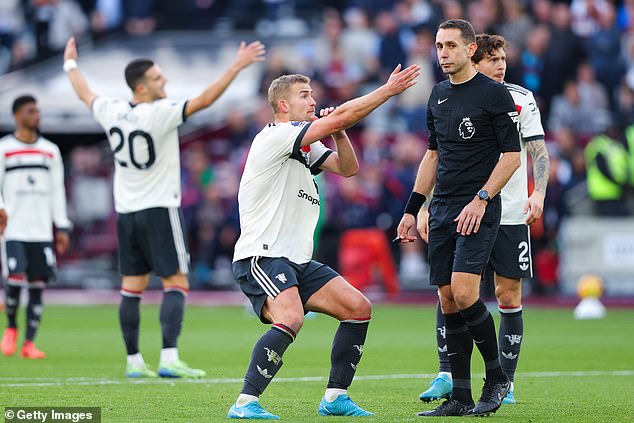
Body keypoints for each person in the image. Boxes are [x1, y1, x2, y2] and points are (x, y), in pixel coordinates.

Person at [63, 36, 265, 378]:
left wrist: (70, 63)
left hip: (126, 213)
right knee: (175, 282)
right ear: (141, 87)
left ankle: (133, 361)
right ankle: (169, 357)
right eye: (158, 78)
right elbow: (204, 100)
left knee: (132, 287)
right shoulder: (160, 113)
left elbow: (84, 92)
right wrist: (237, 65)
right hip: (160, 209)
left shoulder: (111, 109)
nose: (165, 81)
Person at [228, 65, 420, 419]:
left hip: (296, 260)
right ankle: (244, 403)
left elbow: (348, 169)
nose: (313, 100)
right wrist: (386, 91)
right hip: (264, 254)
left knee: (358, 308)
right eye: (305, 95)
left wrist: (341, 134)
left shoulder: (304, 145)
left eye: (312, 93)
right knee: (292, 317)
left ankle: (334, 397)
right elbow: (342, 114)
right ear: (283, 105)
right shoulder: (276, 135)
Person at [417, 33, 551, 406]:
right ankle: (449, 374)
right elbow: (437, 157)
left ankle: (504, 380)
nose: (501, 65)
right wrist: (424, 205)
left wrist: (537, 193)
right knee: (451, 291)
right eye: (493, 59)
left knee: (506, 294)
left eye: (503, 58)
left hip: (507, 211)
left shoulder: (520, 98)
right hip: (458, 208)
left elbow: (536, 150)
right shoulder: (450, 95)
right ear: (476, 59)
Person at [396, 19, 520, 417]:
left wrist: (482, 199)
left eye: (450, 46)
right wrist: (413, 209)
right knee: (448, 300)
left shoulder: (494, 95)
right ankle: (461, 396)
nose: (443, 53)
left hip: (478, 208)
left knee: (466, 293)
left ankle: (498, 376)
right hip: (445, 208)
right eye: (438, 46)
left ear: (469, 50)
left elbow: (512, 157)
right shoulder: (438, 95)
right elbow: (432, 156)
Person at [0, 95, 72, 359]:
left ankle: (29, 344)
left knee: (38, 284)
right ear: (18, 115)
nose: (37, 115)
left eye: (38, 111)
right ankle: (10, 329)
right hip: (14, 228)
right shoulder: (4, 148)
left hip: (41, 229)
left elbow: (57, 191)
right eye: (31, 111)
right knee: (16, 277)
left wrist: (61, 226)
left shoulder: (50, 151)